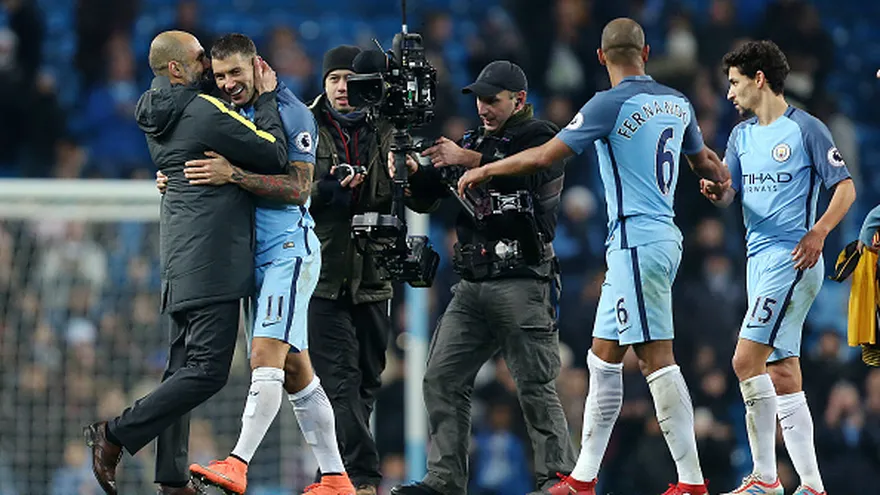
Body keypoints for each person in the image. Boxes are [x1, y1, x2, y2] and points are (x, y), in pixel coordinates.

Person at [458, 18, 731, 495]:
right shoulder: (677, 102)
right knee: (602, 360)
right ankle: (583, 478)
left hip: (638, 242)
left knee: (657, 361)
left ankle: (691, 481)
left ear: (602, 58)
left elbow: (545, 156)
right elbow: (705, 160)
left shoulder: (608, 103)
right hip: (649, 240)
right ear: (645, 51)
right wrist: (721, 183)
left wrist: (486, 170)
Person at [83, 30, 290, 495]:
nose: (209, 67)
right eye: (200, 60)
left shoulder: (153, 114)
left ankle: (173, 481)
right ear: (176, 69)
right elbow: (274, 153)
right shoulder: (200, 110)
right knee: (209, 370)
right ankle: (114, 434)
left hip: (180, 255)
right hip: (212, 257)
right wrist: (271, 97)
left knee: (180, 368)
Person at [153, 34, 355, 495]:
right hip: (250, 260)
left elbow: (300, 189)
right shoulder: (223, 111)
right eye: (220, 76)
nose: (227, 84)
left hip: (287, 250)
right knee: (296, 373)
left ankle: (238, 463)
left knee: (264, 359)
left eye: (236, 74)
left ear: (256, 66)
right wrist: (172, 177)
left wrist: (234, 175)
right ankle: (336, 477)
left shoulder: (290, 111)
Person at [390, 59, 576, 495]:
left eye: (493, 100)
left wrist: (466, 158)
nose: (484, 108)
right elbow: (426, 202)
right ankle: (444, 480)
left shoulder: (542, 136)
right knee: (441, 376)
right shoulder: (473, 140)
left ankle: (558, 479)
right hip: (472, 284)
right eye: (479, 100)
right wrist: (418, 176)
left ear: (519, 100)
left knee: (534, 383)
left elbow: (532, 170)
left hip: (522, 279)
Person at [700, 40, 856, 495]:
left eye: (734, 83)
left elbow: (844, 189)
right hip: (758, 259)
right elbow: (731, 189)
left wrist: (819, 232)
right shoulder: (741, 136)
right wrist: (718, 192)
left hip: (793, 257)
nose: (729, 93)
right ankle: (811, 485)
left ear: (758, 78)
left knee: (745, 359)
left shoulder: (806, 128)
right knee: (783, 372)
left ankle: (765, 479)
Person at [305, 45, 437, 495]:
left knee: (364, 384)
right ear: (323, 85)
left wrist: (417, 170)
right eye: (334, 79)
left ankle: (331, 476)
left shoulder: (390, 128)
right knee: (337, 384)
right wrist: (324, 193)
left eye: (350, 79)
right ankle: (361, 481)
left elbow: (422, 201)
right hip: (320, 277)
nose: (343, 89)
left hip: (375, 277)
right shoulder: (302, 127)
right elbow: (282, 192)